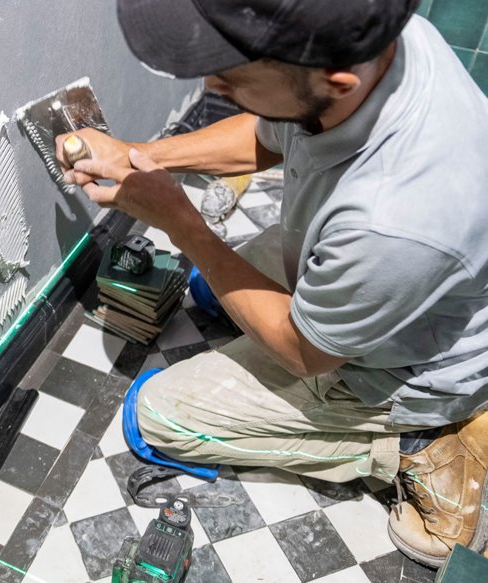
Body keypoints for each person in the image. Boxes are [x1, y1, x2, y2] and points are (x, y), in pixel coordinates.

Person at [56, 0, 488, 568]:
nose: (212, 82)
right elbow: (273, 132)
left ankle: (418, 444)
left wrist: (182, 224)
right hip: (381, 274)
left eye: (234, 75)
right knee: (215, 292)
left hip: (401, 370)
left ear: (334, 83)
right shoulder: (392, 41)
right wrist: (143, 155)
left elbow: (304, 351)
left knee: (153, 417)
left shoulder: (396, 219)